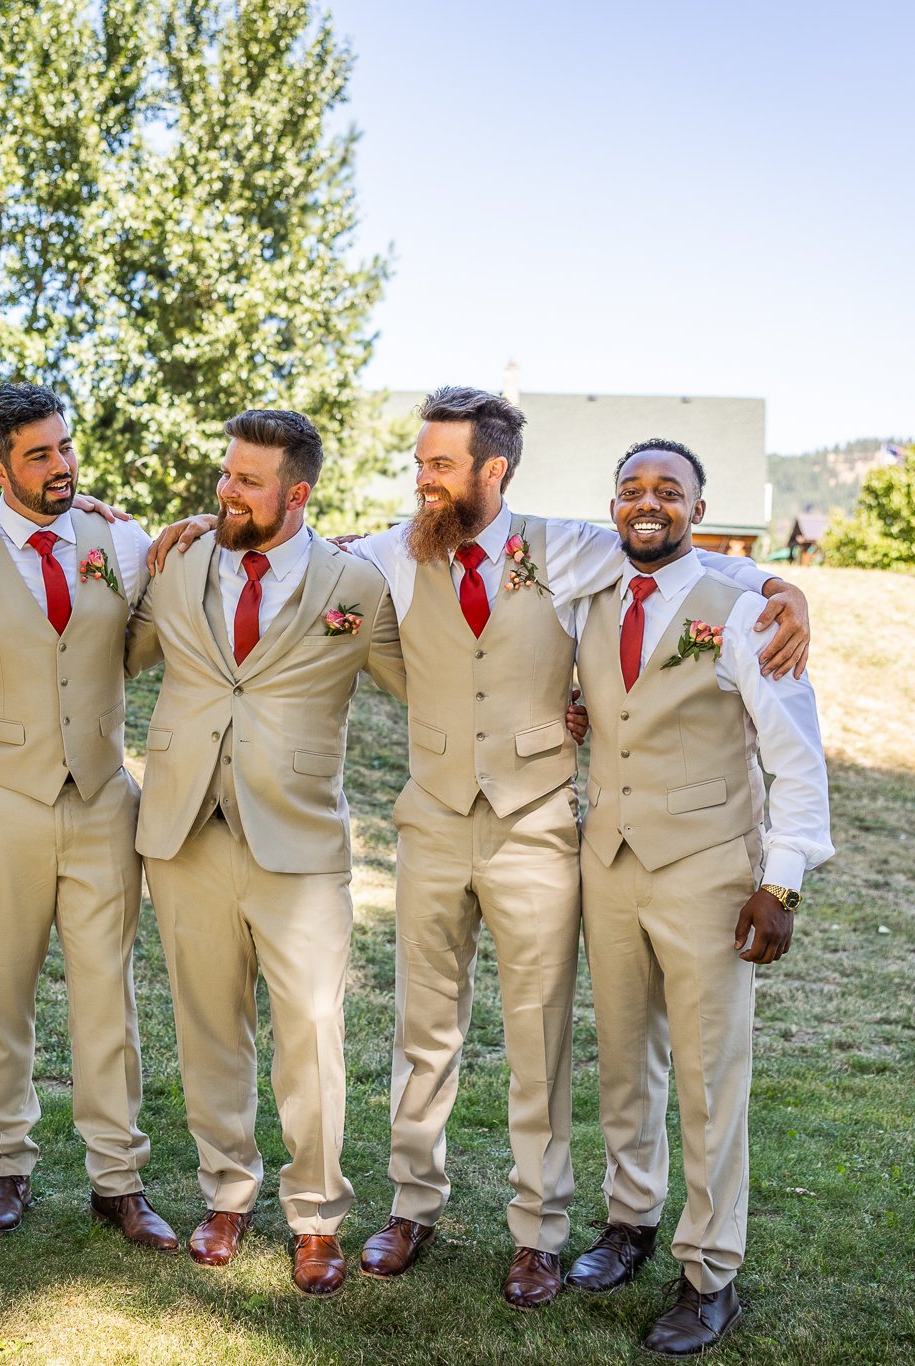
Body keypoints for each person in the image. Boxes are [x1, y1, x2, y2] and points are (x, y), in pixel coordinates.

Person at [342, 389, 808, 1307]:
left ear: (492, 471)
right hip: (435, 819)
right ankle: (414, 1205)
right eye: (420, 462)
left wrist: (780, 586)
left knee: (542, 1037)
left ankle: (542, 1233)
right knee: (425, 1030)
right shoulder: (397, 548)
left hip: (542, 827)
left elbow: (676, 557)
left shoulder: (564, 548)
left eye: (440, 464)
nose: (423, 479)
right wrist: (181, 523)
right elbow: (305, 553)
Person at [126, 410, 404, 1296]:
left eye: (248, 481)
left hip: (301, 840)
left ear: (299, 494)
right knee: (208, 1025)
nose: (226, 491)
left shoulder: (356, 583)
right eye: (227, 473)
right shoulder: (177, 561)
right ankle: (226, 1191)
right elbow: (120, 649)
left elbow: (428, 680)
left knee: (312, 1033)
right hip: (185, 833)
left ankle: (316, 1214)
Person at [568, 439, 832, 1357]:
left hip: (711, 869)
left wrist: (780, 882)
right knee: (622, 1058)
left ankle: (711, 1273)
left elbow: (796, 757)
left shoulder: (747, 610)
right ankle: (629, 1222)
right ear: (613, 502)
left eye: (668, 491)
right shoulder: (589, 593)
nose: (648, 503)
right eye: (631, 488)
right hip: (608, 861)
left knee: (709, 1076)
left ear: (699, 509)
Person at [0, 383, 177, 1250]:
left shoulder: (119, 541)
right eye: (39, 455)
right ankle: (7, 1166)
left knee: (109, 997)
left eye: (64, 447)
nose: (61, 466)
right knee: (2, 991)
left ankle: (118, 1179)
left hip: (102, 800)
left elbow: (182, 589)